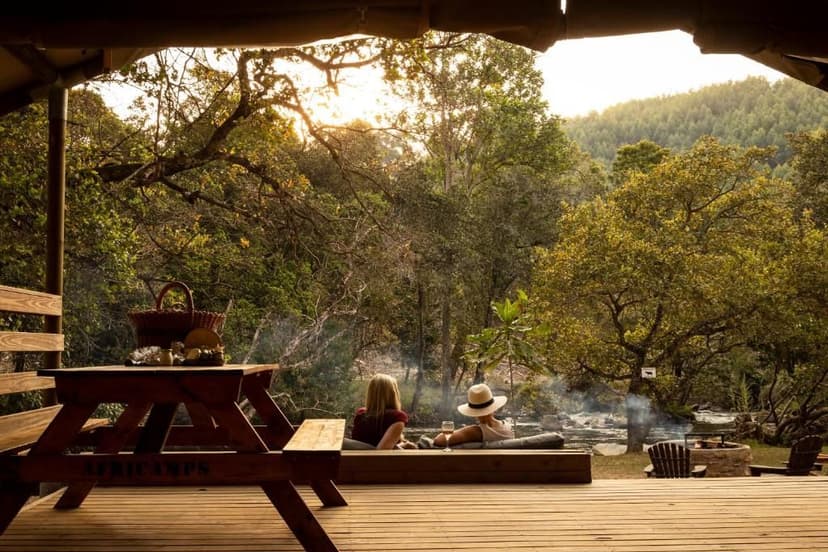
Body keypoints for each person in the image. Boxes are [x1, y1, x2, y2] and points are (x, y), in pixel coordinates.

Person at [431, 383, 514, 447]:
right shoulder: (508, 427)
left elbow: (439, 440)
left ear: (473, 412)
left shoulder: (476, 431)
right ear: (493, 408)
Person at [350, 373, 416, 449]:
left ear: (371, 393)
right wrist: (403, 445)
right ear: (394, 393)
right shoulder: (397, 417)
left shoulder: (361, 413)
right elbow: (382, 452)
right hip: (377, 460)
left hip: (356, 460)